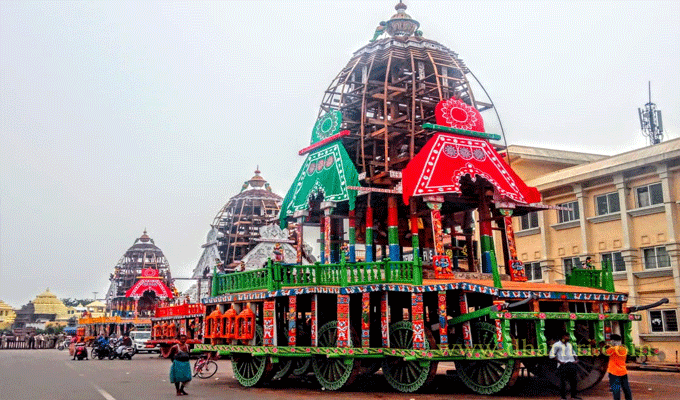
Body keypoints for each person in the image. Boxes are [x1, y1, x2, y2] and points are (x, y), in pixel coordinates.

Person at [549, 334, 581, 400]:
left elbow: (573, 353)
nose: (568, 338)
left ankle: (573, 396)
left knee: (573, 381)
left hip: (571, 364)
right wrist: (559, 361)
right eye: (566, 336)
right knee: (563, 382)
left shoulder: (569, 344)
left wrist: (576, 360)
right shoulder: (557, 345)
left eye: (568, 336)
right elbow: (551, 355)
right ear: (562, 337)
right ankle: (563, 397)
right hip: (563, 365)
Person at [606, 334, 632, 400]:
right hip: (623, 371)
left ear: (613, 341)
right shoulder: (624, 349)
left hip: (614, 372)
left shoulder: (612, 349)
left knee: (616, 390)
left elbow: (605, 352)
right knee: (626, 388)